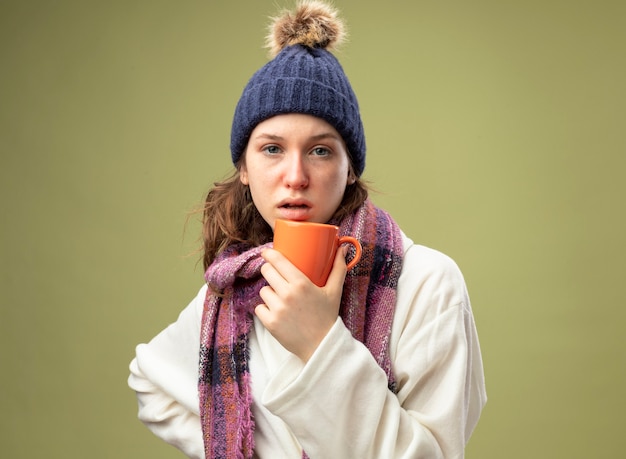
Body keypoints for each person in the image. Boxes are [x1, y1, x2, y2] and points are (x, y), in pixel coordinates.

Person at [128, 1, 487, 458]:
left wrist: (321, 342)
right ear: (244, 166)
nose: (295, 176)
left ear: (351, 167)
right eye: (272, 149)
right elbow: (150, 380)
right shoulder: (237, 287)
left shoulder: (428, 284)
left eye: (320, 151)